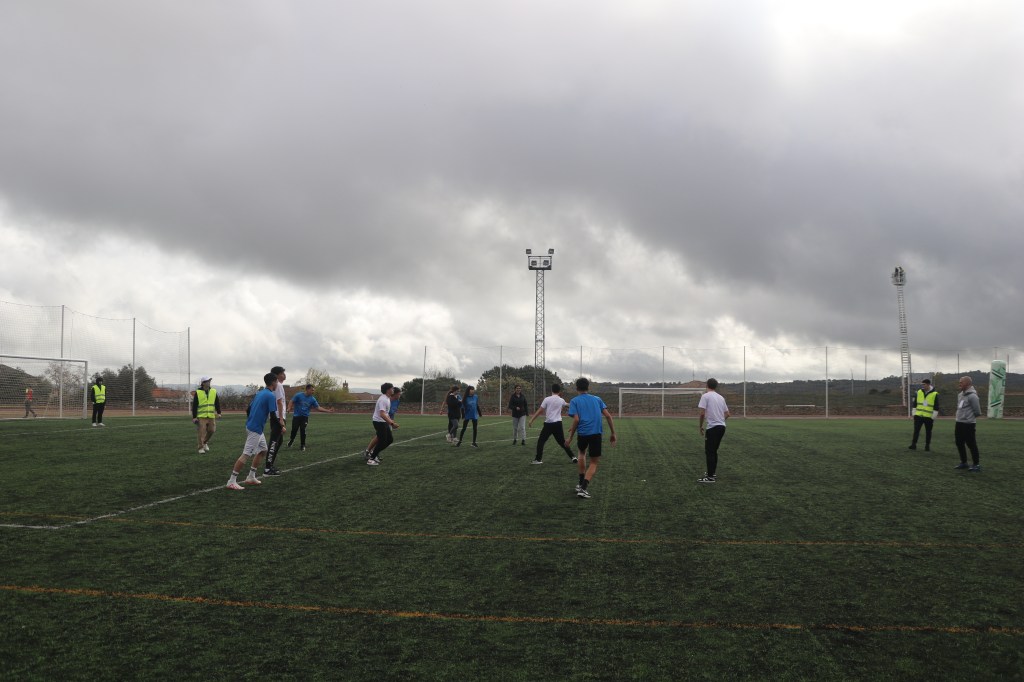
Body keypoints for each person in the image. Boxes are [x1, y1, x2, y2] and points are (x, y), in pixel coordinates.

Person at [565, 377, 616, 499]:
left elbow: (576, 419)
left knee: (581, 454)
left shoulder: (574, 401)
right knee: (593, 462)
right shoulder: (597, 399)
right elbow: (608, 416)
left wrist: (570, 437)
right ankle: (583, 488)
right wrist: (613, 433)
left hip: (582, 434)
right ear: (588, 387)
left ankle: (580, 484)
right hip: (595, 434)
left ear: (577, 388)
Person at [227, 372, 278, 490]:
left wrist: (252, 420)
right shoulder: (270, 395)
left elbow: (248, 409)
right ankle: (231, 481)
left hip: (254, 427)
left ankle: (251, 476)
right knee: (246, 455)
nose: (277, 384)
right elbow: (273, 416)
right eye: (277, 381)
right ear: (273, 382)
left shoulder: (260, 393)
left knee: (263, 450)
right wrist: (281, 426)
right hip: (255, 429)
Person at [527, 383, 576, 464]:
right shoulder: (561, 400)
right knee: (562, 442)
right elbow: (569, 405)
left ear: (551, 390)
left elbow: (540, 411)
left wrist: (531, 420)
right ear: (559, 391)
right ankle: (573, 457)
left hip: (548, 424)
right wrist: (578, 404)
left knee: (541, 441)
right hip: (558, 424)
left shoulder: (547, 399)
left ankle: (538, 459)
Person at [697, 378, 731, 483]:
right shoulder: (721, 397)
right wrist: (720, 420)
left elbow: (702, 413)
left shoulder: (705, 396)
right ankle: (712, 473)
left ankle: (710, 477)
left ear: (707, 385)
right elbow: (728, 414)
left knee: (709, 451)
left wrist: (700, 426)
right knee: (714, 451)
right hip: (722, 427)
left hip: (712, 428)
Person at [288, 383, 334, 451]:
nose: (313, 391)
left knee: (303, 429)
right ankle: (292, 440)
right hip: (296, 416)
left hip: (305, 417)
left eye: (313, 390)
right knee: (294, 429)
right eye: (312, 390)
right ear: (307, 389)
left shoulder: (312, 399)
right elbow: (291, 401)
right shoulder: (298, 395)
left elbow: (318, 408)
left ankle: (302, 445)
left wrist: (328, 411)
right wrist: (289, 408)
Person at [953, 376, 982, 472]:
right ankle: (964, 462)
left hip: (968, 424)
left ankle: (976, 464)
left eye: (961, 382)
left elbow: (977, 411)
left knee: (971, 444)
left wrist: (968, 417)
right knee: (959, 442)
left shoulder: (973, 396)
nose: (959, 384)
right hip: (959, 423)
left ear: (967, 383)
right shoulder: (960, 395)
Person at [367, 383, 400, 466]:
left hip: (383, 422)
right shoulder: (383, 400)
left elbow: (386, 413)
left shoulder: (387, 398)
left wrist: (390, 421)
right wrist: (391, 423)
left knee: (389, 440)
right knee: (382, 441)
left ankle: (373, 454)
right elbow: (382, 414)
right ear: (388, 390)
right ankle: (371, 459)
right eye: (392, 388)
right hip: (378, 422)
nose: (393, 390)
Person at [264, 366, 287, 476]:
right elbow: (279, 402)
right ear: (277, 375)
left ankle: (270, 465)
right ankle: (267, 468)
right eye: (282, 373)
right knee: (274, 442)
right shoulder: (278, 385)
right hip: (278, 417)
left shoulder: (277, 386)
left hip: (277, 416)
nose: (284, 375)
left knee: (279, 441)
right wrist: (281, 419)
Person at [908, 378, 940, 451]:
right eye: (922, 384)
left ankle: (927, 446)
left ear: (928, 384)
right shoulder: (919, 392)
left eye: (924, 384)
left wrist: (933, 417)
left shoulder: (935, 394)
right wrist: (914, 414)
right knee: (916, 431)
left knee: (928, 432)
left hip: (928, 417)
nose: (922, 386)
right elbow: (915, 403)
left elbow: (936, 406)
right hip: (918, 416)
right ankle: (913, 445)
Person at [192, 376, 221, 453]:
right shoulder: (198, 392)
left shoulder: (213, 391)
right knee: (201, 432)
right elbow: (194, 405)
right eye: (207, 381)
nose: (209, 382)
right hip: (201, 416)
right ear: (203, 383)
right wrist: (194, 417)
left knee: (212, 430)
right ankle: (200, 448)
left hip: (211, 415)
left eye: (209, 381)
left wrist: (219, 412)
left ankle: (204, 442)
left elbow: (217, 402)